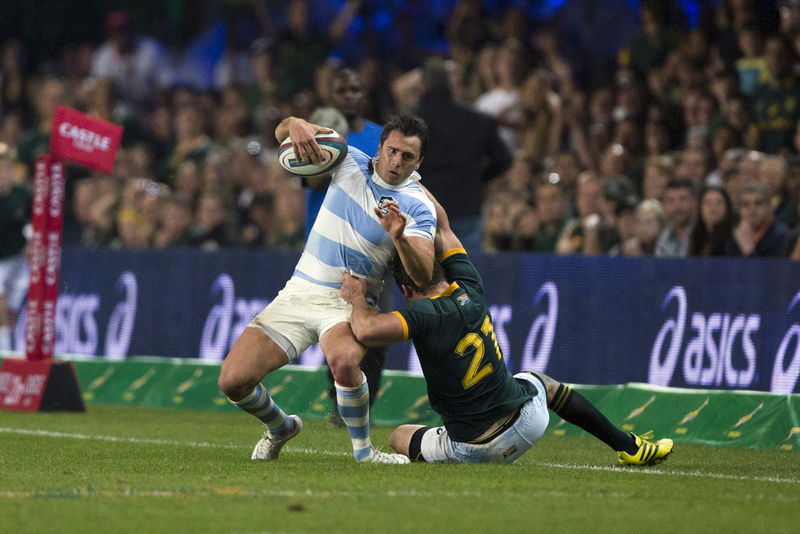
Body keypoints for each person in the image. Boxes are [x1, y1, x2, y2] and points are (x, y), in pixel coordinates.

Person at [339, 193, 673, 465]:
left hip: (473, 448)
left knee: (400, 436)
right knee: (539, 381)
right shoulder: (469, 284)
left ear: (406, 288)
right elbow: (442, 224)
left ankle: (453, 448)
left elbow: (366, 331)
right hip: (529, 423)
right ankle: (628, 446)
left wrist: (356, 297)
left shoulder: (423, 314)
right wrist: (413, 184)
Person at [217, 112, 437, 464]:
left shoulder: (418, 206)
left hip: (347, 303)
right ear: (380, 147)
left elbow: (423, 272)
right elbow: (282, 132)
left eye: (407, 156)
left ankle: (365, 453)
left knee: (344, 360)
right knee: (233, 382)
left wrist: (399, 238)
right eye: (393, 151)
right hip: (299, 292)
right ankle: (281, 427)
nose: (397, 162)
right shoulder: (347, 159)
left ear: (419, 161)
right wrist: (295, 124)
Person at [412, 57, 512, 253]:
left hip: (424, 209)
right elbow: (504, 159)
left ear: (423, 86)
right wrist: (478, 178)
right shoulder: (479, 120)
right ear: (451, 86)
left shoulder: (410, 121)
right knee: (466, 274)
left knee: (425, 277)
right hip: (467, 206)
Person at [0, 147, 30, 351]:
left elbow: (31, 223)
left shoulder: (22, 195)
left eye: (7, 167)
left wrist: (31, 241)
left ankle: (9, 346)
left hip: (18, 261)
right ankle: (4, 352)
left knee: (12, 311)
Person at [733, 180, 792, 257]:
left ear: (770, 207)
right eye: (746, 204)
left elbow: (773, 269)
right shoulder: (734, 237)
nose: (752, 209)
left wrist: (749, 250)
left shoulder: (784, 238)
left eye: (758, 203)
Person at [655, 180, 697, 257]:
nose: (677, 206)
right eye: (671, 201)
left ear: (694, 202)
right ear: (664, 205)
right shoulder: (661, 236)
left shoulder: (704, 234)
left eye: (683, 199)